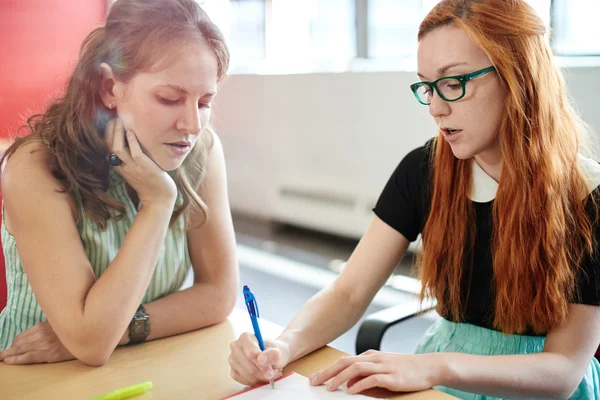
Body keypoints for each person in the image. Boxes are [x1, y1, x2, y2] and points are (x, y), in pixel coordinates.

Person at [228, 0, 600, 398]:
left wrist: (435, 365)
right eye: (426, 86)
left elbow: (562, 371)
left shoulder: (587, 197)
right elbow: (349, 292)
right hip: (439, 374)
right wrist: (283, 345)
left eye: (454, 83)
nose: (437, 108)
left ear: (519, 75)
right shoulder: (425, 169)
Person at [0, 0, 238, 366]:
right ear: (110, 87)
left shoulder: (200, 150)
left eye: (205, 102)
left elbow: (219, 294)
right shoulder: (35, 167)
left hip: (143, 364)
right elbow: (92, 345)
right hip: (32, 376)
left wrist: (123, 329)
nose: (192, 124)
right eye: (170, 99)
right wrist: (157, 203)